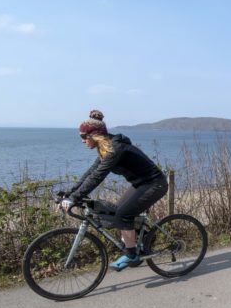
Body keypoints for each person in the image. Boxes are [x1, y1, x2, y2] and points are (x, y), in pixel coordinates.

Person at [60, 110, 168, 271]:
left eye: (84, 137)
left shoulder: (115, 149)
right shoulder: (106, 149)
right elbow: (90, 173)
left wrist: (75, 198)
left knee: (123, 215)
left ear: (94, 136)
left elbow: (98, 176)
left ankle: (132, 255)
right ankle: (142, 239)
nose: (82, 141)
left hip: (155, 184)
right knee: (120, 211)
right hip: (140, 184)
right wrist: (70, 193)